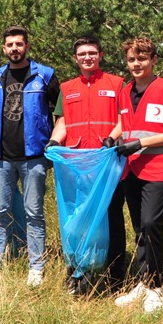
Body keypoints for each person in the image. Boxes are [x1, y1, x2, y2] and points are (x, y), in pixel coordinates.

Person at [109, 37, 163, 314]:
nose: (136, 64)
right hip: (132, 168)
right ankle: (143, 281)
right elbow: (124, 121)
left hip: (159, 168)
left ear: (154, 59)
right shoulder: (125, 90)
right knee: (140, 228)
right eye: (131, 59)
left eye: (141, 58)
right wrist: (112, 137)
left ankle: (156, 286)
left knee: (152, 224)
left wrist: (140, 143)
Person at [0, 26, 60, 287]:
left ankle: (36, 267)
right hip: (1, 158)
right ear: (4, 49)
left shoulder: (45, 75)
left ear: (27, 47)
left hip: (34, 156)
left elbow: (60, 113)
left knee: (33, 213)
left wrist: (53, 146)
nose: (15, 48)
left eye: (19, 44)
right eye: (10, 45)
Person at [46, 36, 125, 294]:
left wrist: (111, 139)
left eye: (92, 52)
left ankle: (115, 279)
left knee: (112, 219)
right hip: (77, 167)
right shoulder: (67, 88)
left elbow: (126, 119)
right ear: (75, 58)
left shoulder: (117, 84)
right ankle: (78, 275)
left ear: (101, 55)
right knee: (77, 221)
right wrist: (53, 142)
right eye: (82, 53)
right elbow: (63, 122)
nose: (87, 57)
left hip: (108, 166)